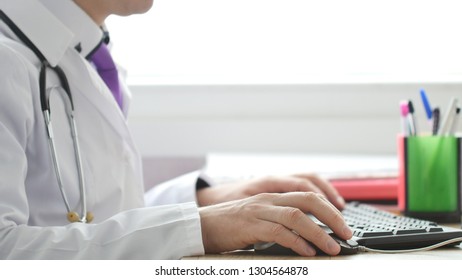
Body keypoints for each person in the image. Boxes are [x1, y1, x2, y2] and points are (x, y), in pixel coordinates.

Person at [0, 0, 352, 259]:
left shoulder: (79, 52)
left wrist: (203, 202)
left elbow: (99, 215)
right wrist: (199, 228)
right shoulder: (8, 60)